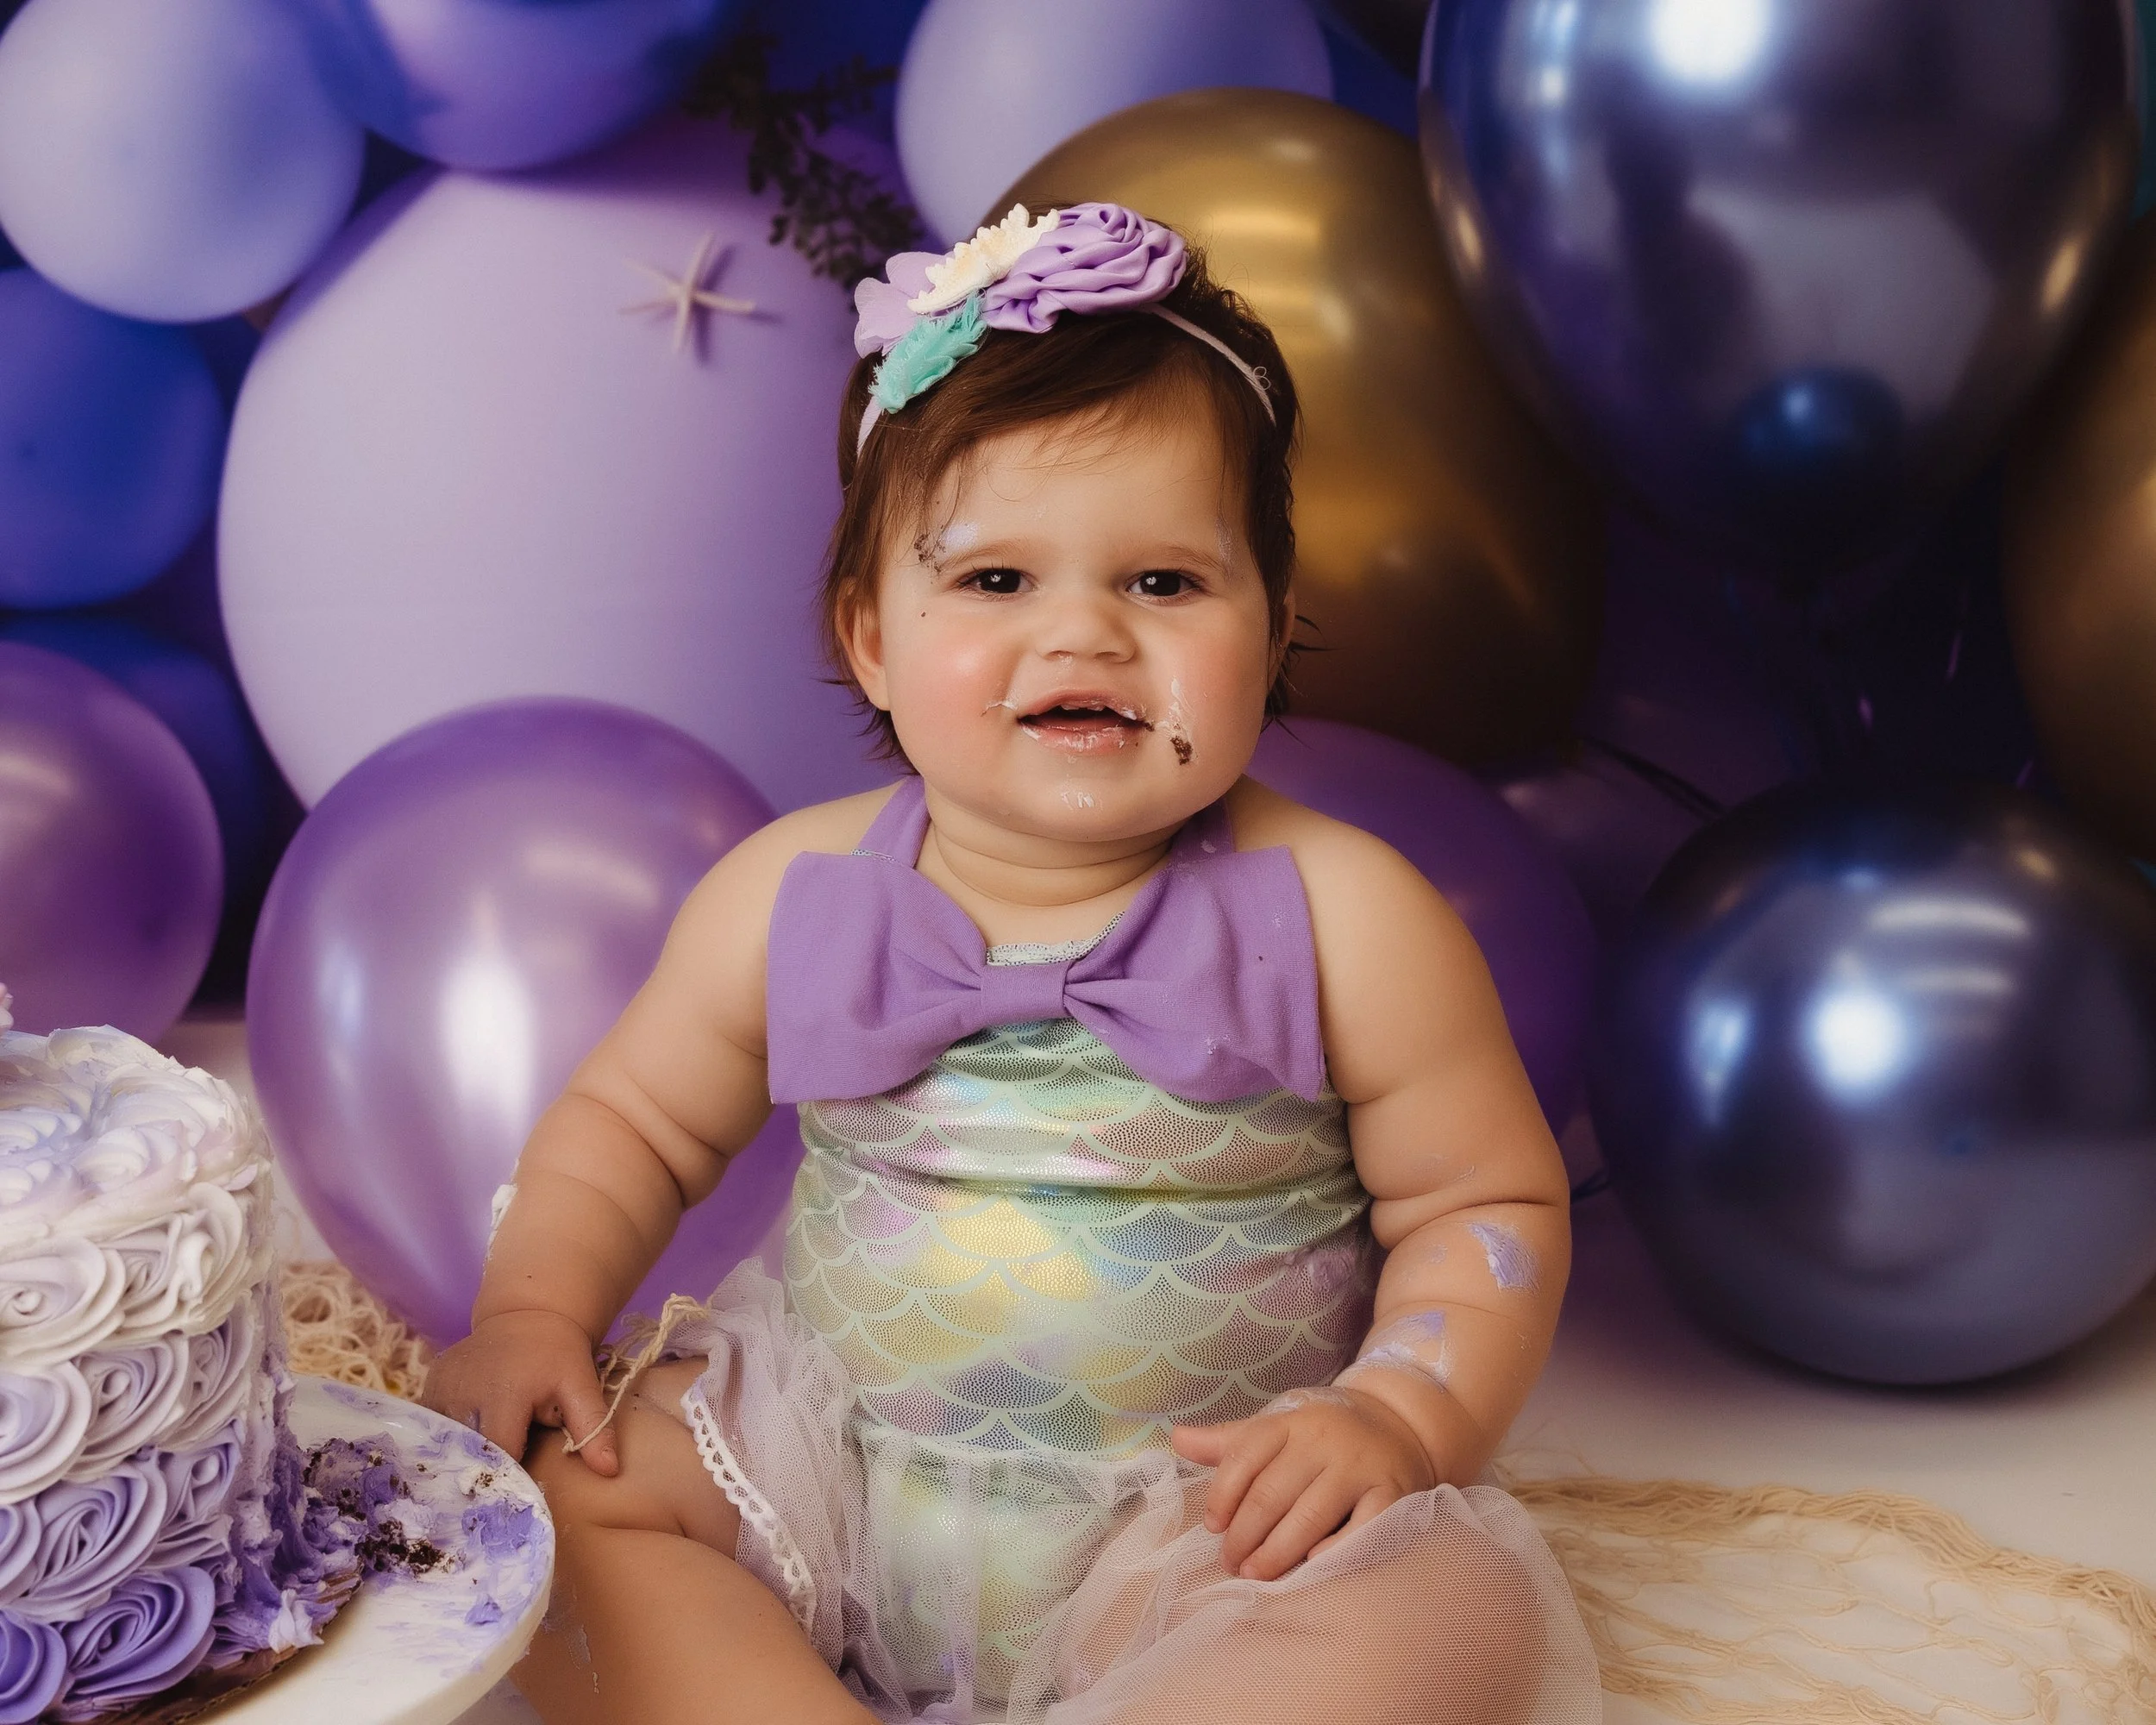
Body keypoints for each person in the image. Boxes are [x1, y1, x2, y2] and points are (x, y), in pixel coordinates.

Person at [423, 202, 1599, 1725]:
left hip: (1210, 1524)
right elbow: (633, 1129)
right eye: (995, 584)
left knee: (1433, 1615)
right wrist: (533, 1311)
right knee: (569, 1509)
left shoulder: (1348, 912)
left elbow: (1483, 1202)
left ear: (1275, 627)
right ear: (871, 638)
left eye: (1166, 584)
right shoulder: (794, 892)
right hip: (831, 1486)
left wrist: (1397, 1415)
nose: (1086, 635)